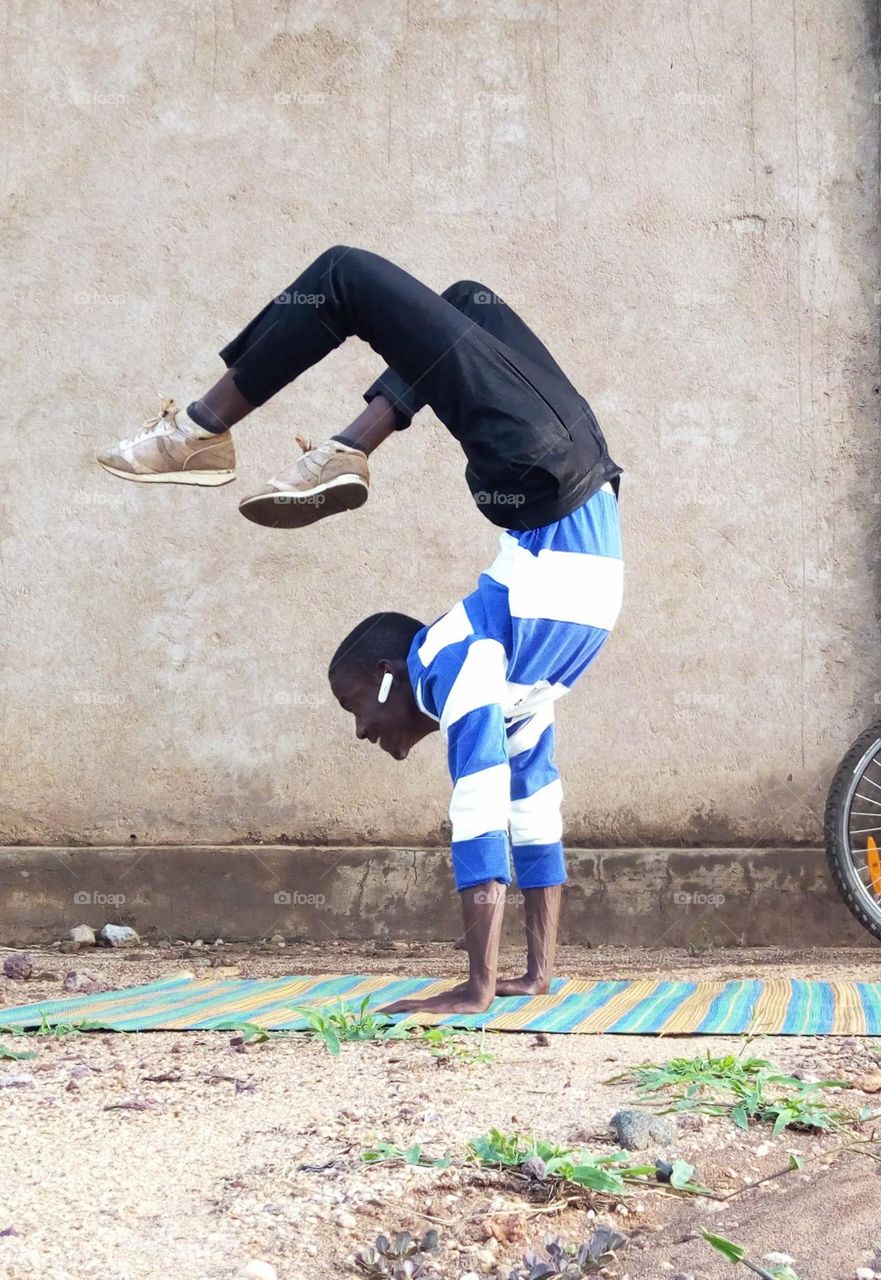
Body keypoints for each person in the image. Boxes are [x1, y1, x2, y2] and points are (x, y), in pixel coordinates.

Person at [97, 245, 624, 1015]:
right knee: (464, 305)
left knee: (346, 276)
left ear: (386, 675)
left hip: (542, 473)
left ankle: (199, 432)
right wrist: (534, 973)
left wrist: (476, 987)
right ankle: (348, 450)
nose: (361, 731)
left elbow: (479, 809)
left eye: (356, 707)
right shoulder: (510, 679)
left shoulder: (451, 657)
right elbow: (535, 809)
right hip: (574, 472)